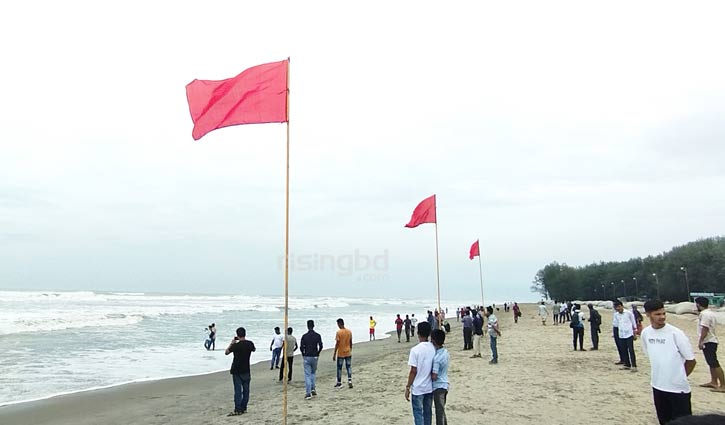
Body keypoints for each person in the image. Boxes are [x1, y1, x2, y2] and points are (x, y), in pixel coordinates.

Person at [641, 299, 697, 424]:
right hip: (657, 386)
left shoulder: (676, 333)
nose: (662, 317)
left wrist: (679, 377)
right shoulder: (646, 333)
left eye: (663, 313)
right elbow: (650, 355)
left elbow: (691, 361)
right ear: (648, 314)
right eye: (657, 314)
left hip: (678, 390)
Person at [404, 321, 435, 425]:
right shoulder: (433, 348)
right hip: (429, 387)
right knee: (427, 414)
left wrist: (408, 386)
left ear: (418, 333)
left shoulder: (415, 350)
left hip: (418, 387)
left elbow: (413, 371)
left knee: (418, 414)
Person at [695, 296, 724, 392]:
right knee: (710, 363)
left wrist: (701, 341)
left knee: (714, 363)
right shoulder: (710, 313)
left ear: (698, 304)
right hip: (711, 340)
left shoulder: (705, 314)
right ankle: (714, 381)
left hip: (709, 341)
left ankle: (723, 385)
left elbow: (705, 328)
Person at [224, 327, 256, 416]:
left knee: (238, 390)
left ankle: (238, 409)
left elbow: (226, 352)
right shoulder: (250, 344)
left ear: (237, 335)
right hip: (246, 369)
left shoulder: (235, 346)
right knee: (246, 390)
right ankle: (244, 407)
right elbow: (254, 349)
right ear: (245, 334)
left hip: (236, 370)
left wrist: (231, 343)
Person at [300, 319, 323, 400]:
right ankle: (313, 388)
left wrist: (303, 354)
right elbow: (321, 346)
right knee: (313, 373)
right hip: (315, 356)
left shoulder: (304, 336)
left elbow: (301, 347)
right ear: (313, 326)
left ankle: (308, 392)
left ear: (307, 326)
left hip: (307, 356)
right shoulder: (317, 335)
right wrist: (318, 353)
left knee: (307, 375)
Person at [431, 328, 449, 425]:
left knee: (439, 412)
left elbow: (434, 376)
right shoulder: (445, 352)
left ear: (433, 341)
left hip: (438, 386)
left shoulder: (437, 358)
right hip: (445, 383)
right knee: (441, 411)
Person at [614, 300, 638, 371]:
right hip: (621, 334)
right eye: (616, 308)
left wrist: (635, 333)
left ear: (621, 306)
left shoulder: (628, 313)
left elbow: (634, 323)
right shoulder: (616, 315)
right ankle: (627, 364)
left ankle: (634, 365)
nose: (618, 309)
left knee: (631, 350)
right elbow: (616, 324)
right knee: (624, 350)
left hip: (629, 334)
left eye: (619, 307)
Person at [333, 318, 353, 389]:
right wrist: (350, 349)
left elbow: (337, 343)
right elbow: (350, 342)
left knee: (339, 368)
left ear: (339, 324)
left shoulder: (339, 332)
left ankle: (339, 382)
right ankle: (350, 380)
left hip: (341, 352)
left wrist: (334, 353)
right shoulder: (349, 332)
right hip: (348, 351)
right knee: (348, 367)